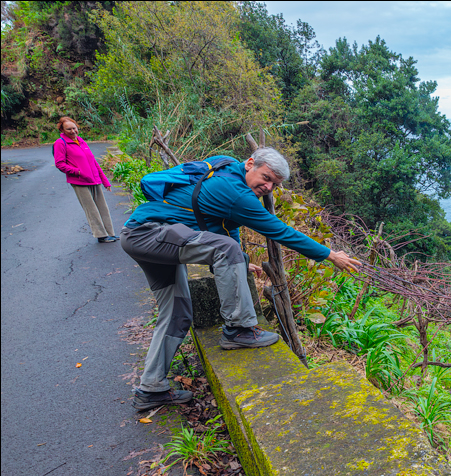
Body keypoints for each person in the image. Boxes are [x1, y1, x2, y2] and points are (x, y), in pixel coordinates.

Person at [121, 147, 360, 410]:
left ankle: (150, 389)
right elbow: (279, 230)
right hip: (151, 234)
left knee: (177, 313)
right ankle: (238, 329)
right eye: (266, 178)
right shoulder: (235, 192)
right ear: (250, 164)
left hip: (145, 237)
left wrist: (238, 262)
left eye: (275, 184)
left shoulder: (224, 169)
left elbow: (227, 228)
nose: (268, 187)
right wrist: (328, 254)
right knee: (226, 251)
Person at [53, 116, 118, 243]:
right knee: (91, 209)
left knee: (102, 207)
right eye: (68, 129)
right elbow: (59, 164)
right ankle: (101, 236)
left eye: (74, 128)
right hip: (79, 181)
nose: (72, 131)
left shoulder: (81, 141)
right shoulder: (60, 143)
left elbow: (93, 161)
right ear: (62, 130)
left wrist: (105, 181)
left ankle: (110, 233)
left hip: (94, 179)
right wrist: (77, 172)